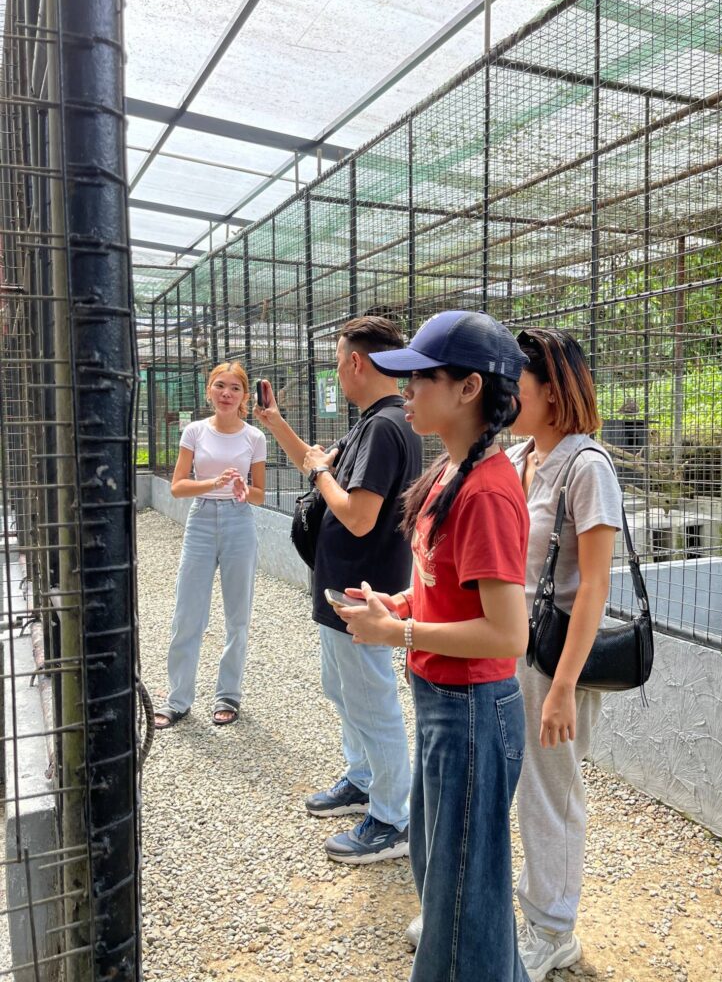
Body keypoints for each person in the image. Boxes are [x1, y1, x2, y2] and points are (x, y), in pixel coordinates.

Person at [337, 310, 532, 982]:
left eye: (421, 377)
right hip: (445, 704)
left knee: (458, 901)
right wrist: (399, 604)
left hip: (473, 708)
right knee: (452, 881)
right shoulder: (450, 474)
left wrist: (400, 633)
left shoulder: (484, 492)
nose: (408, 389)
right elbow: (449, 591)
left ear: (469, 389)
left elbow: (508, 633)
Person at [253, 316, 422, 863]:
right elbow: (318, 466)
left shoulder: (384, 426)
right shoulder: (378, 420)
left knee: (371, 701)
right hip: (345, 585)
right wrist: (277, 425)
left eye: (337, 361)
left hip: (364, 589)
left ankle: (393, 816)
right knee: (344, 690)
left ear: (356, 362)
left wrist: (320, 476)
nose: (337, 371)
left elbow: (356, 515)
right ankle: (363, 778)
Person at [506, 328, 623, 982]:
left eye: (514, 386)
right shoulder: (519, 454)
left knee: (552, 794)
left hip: (555, 657)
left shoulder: (587, 465)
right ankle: (520, 908)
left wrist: (561, 687)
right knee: (517, 786)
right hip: (509, 646)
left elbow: (596, 585)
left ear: (551, 391)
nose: (502, 395)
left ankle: (554, 931)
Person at [154, 362, 266, 729]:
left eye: (235, 388)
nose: (226, 393)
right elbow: (177, 486)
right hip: (200, 520)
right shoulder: (194, 431)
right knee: (187, 613)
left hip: (238, 522)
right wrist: (214, 483)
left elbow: (261, 495)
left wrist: (242, 490)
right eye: (220, 386)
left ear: (244, 397)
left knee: (238, 615)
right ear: (208, 391)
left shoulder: (254, 438)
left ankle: (228, 695)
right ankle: (177, 700)